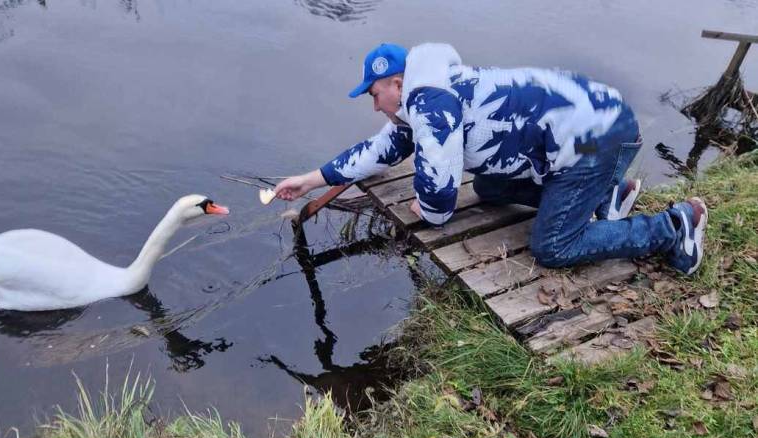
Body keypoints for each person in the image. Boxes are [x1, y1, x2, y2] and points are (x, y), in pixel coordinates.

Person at [274, 42, 707, 275]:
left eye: (374, 95)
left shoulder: (429, 103)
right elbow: (379, 150)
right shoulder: (431, 95)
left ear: (397, 82)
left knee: (552, 246)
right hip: (594, 133)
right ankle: (605, 198)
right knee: (486, 186)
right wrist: (309, 180)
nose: (374, 107)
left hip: (601, 142)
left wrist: (424, 206)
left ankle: (672, 227)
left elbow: (440, 203)